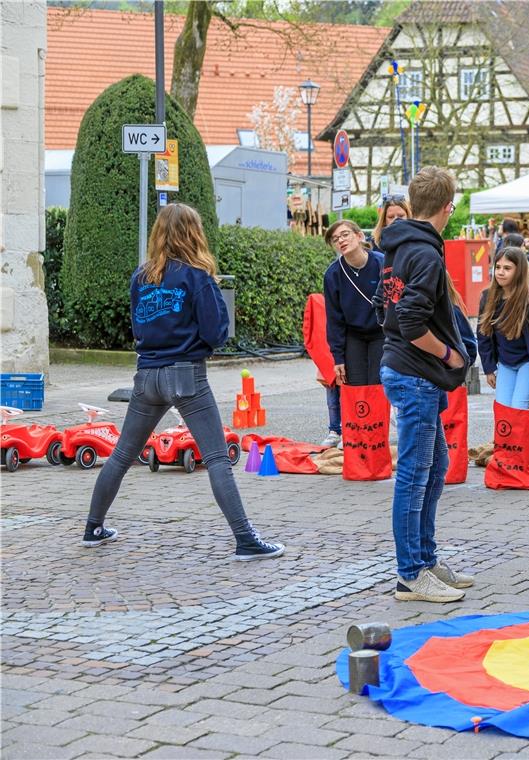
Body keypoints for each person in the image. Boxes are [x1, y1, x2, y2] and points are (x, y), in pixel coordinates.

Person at [81, 203, 284, 560]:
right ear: (193, 233)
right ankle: (245, 539)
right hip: (187, 374)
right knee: (218, 459)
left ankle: (93, 527)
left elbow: (138, 326)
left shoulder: (140, 277)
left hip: (147, 375)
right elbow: (217, 332)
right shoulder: (197, 276)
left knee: (122, 454)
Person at [377, 166, 473, 604]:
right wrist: (448, 354)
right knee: (415, 477)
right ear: (448, 209)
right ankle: (411, 574)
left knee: (435, 467)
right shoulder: (426, 255)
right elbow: (412, 321)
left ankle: (425, 558)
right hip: (415, 373)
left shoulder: (399, 247)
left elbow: (386, 307)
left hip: (407, 369)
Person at [478, 246, 529, 409]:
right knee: (503, 410)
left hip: (527, 362)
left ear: (519, 271)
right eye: (497, 267)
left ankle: (521, 436)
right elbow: (483, 335)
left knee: (518, 409)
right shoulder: (488, 297)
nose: (500, 272)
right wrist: (489, 367)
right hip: (505, 363)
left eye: (507, 268)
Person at [323, 220, 385, 394]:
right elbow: (334, 320)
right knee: (355, 387)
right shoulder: (332, 275)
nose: (341, 241)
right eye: (335, 239)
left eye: (345, 235)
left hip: (381, 332)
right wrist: (338, 358)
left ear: (359, 236)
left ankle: (380, 422)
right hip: (354, 335)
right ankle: (360, 422)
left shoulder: (382, 263)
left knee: (378, 384)